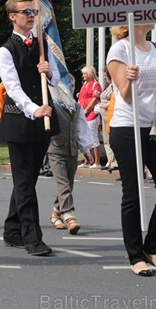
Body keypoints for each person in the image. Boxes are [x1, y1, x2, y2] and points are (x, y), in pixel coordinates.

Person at [107, 23, 156, 276]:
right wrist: (129, 80)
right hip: (127, 128)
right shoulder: (119, 50)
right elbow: (125, 96)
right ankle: (136, 256)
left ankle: (152, 247)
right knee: (133, 193)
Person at [0, 0, 58, 257]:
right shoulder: (5, 51)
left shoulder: (43, 45)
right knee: (24, 181)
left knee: (29, 178)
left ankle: (12, 230)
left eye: (34, 11)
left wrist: (49, 71)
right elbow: (13, 89)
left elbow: (55, 81)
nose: (32, 15)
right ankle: (32, 238)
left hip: (43, 119)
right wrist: (35, 109)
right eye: (25, 12)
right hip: (20, 121)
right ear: (13, 16)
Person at [46, 80, 98, 235]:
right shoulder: (53, 103)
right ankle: (69, 215)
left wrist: (86, 149)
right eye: (67, 84)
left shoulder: (76, 107)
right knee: (63, 184)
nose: (70, 88)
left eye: (72, 85)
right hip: (55, 149)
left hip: (72, 150)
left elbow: (81, 128)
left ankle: (56, 213)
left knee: (68, 185)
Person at [77, 66, 102, 169]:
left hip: (92, 114)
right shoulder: (85, 84)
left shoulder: (96, 84)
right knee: (84, 137)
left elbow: (96, 99)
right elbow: (81, 97)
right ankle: (87, 161)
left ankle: (97, 162)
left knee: (93, 136)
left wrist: (87, 109)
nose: (83, 76)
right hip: (83, 113)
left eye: (85, 74)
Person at [97, 68, 118, 172]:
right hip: (104, 114)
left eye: (106, 74)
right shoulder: (107, 86)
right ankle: (109, 161)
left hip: (110, 113)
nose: (104, 76)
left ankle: (114, 162)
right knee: (105, 139)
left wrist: (107, 104)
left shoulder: (115, 85)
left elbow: (117, 99)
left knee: (111, 138)